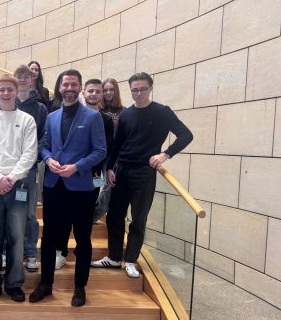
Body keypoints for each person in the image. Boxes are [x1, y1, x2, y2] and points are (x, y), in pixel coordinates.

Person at [92, 72, 193, 278]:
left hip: (144, 172)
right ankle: (114, 257)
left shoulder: (162, 112)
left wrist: (165, 154)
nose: (139, 93)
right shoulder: (126, 114)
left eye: (143, 89)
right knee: (114, 216)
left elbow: (186, 135)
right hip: (121, 170)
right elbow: (118, 144)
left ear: (151, 88)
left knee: (138, 219)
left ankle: (130, 260)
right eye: (135, 90)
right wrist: (110, 168)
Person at [29, 69, 106, 308]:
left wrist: (77, 167)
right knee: (49, 238)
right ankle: (46, 283)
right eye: (66, 85)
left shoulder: (93, 117)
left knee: (82, 239)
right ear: (60, 88)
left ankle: (80, 287)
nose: (69, 89)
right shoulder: (52, 116)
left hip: (81, 188)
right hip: (53, 185)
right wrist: (48, 158)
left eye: (74, 85)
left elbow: (100, 151)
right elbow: (44, 145)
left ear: (80, 88)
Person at [0, 74, 38, 303]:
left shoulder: (27, 120)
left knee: (16, 235)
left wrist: (10, 178)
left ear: (16, 90)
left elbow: (30, 154)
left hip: (18, 184)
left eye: (9, 89)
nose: (5, 93)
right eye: (1, 89)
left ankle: (14, 283)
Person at [54, 79, 115, 270]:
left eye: (98, 91)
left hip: (93, 176)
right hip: (65, 175)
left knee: (85, 217)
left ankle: (82, 252)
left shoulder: (105, 119)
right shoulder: (69, 114)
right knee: (63, 217)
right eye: (91, 91)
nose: (94, 94)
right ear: (84, 92)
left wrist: (106, 168)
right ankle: (61, 252)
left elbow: (105, 149)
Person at [14, 65, 48, 272]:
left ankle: (31, 253)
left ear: (32, 79)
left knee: (29, 215)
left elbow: (44, 137)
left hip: (30, 170)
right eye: (18, 76)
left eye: (25, 76)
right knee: (9, 213)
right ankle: (11, 251)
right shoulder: (7, 103)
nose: (22, 80)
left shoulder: (41, 108)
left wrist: (30, 158)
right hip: (8, 171)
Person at [92, 77, 125, 223]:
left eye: (111, 89)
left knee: (107, 186)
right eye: (105, 90)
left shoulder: (124, 111)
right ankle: (89, 209)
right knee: (96, 182)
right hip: (96, 155)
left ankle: (95, 214)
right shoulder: (96, 110)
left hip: (113, 156)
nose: (108, 93)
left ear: (116, 91)